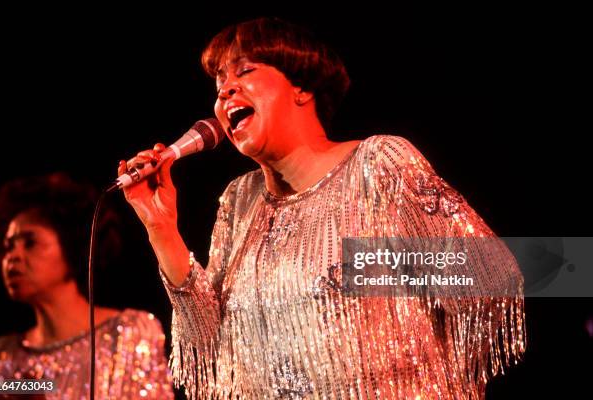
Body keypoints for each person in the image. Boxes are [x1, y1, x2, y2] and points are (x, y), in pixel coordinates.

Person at [119, 17, 526, 399]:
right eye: (219, 82)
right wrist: (162, 230)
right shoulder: (238, 201)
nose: (225, 91)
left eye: (244, 72)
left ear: (302, 86)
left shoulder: (378, 164)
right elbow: (213, 352)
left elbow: (493, 276)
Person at [0, 173, 174, 399]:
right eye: (8, 246)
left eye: (30, 242)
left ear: (71, 247)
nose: (11, 257)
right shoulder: (1, 355)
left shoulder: (127, 334)